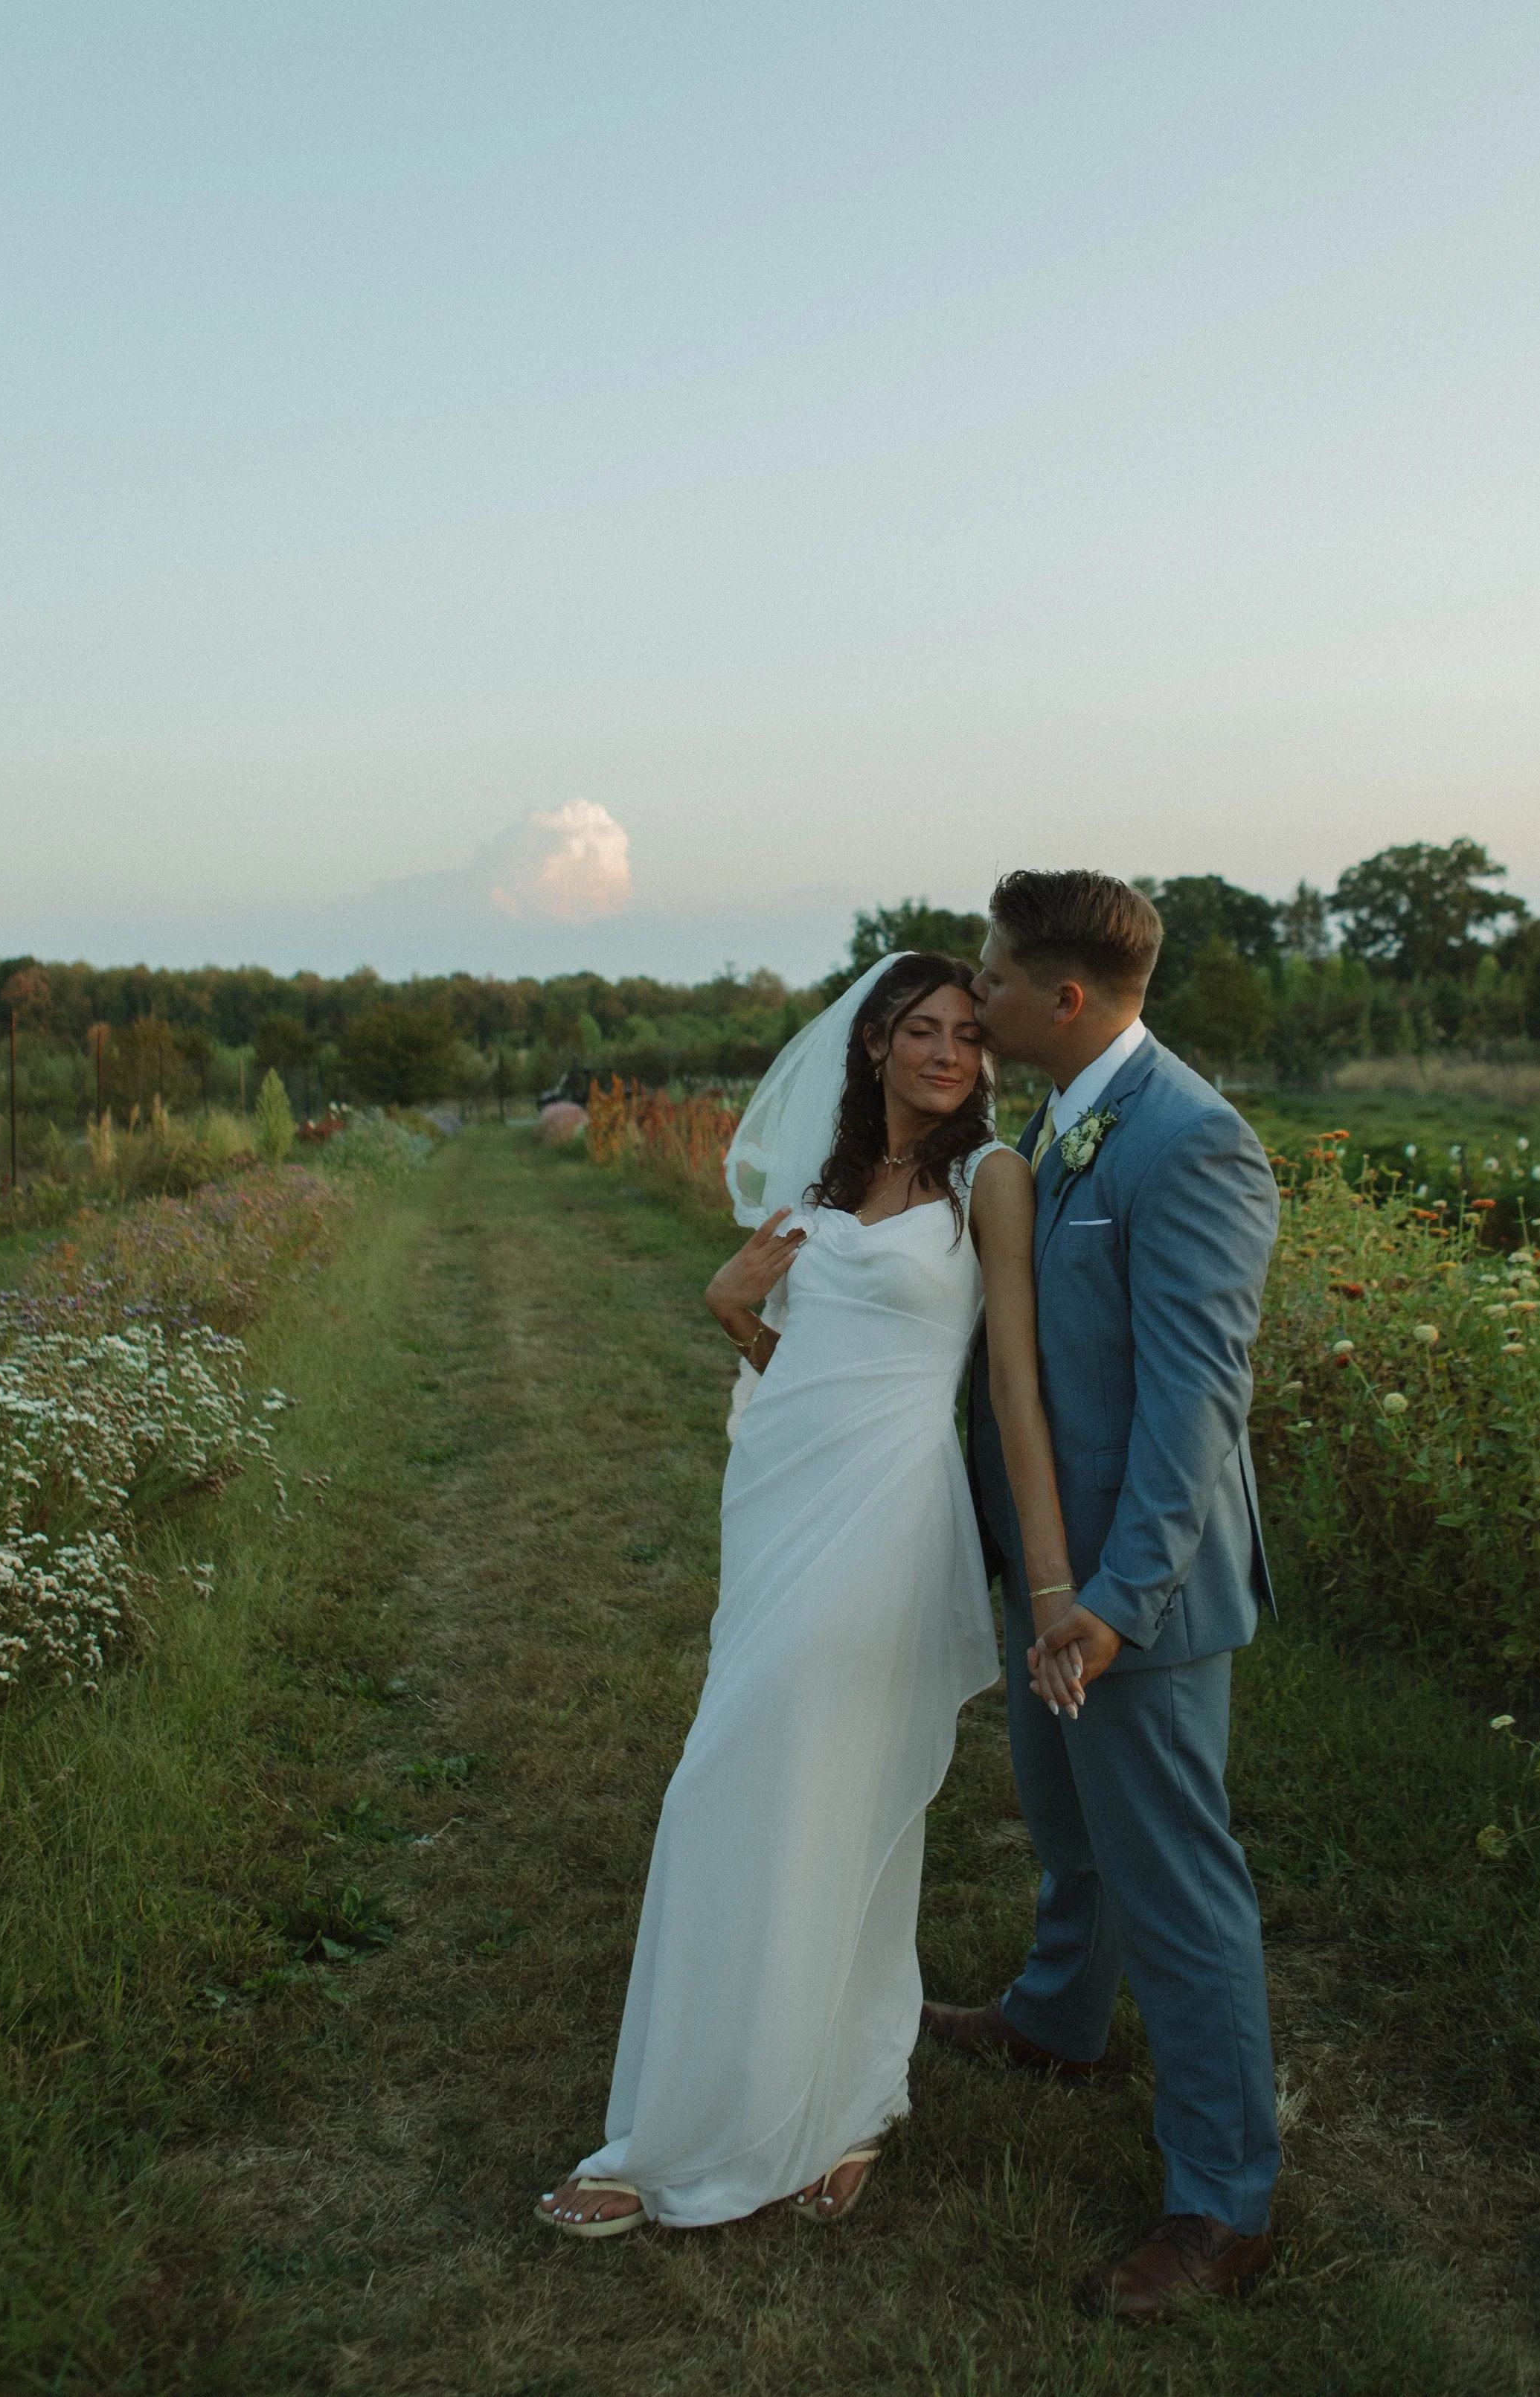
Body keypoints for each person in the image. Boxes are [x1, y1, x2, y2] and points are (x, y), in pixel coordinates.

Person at [536, 952, 1082, 2236]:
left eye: (967, 1033)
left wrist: (1051, 1576)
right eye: (922, 1030)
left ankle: (706, 2135)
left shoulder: (987, 1184)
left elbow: (1008, 1383)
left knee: (794, 1778)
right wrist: (736, 1311)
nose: (950, 1052)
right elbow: (790, 1343)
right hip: (780, 1493)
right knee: (779, 1777)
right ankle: (845, 2100)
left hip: (892, 1505)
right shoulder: (828, 1182)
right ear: (876, 1045)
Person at [925, 869, 1282, 2324]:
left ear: (1063, 999)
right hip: (1049, 1575)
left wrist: (1115, 1602)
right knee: (1063, 1827)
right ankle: (1057, 2019)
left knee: (1178, 1890)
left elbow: (1194, 1406)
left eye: (996, 980)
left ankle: (1221, 2199)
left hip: (1132, 1597)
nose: (980, 1000)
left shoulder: (1191, 1145)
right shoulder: (1058, 1123)